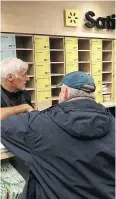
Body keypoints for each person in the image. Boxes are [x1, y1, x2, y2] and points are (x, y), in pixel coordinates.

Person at [1, 71, 115, 199]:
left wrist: (21, 108)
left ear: (65, 92)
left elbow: (4, 127)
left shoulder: (39, 125)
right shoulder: (113, 124)